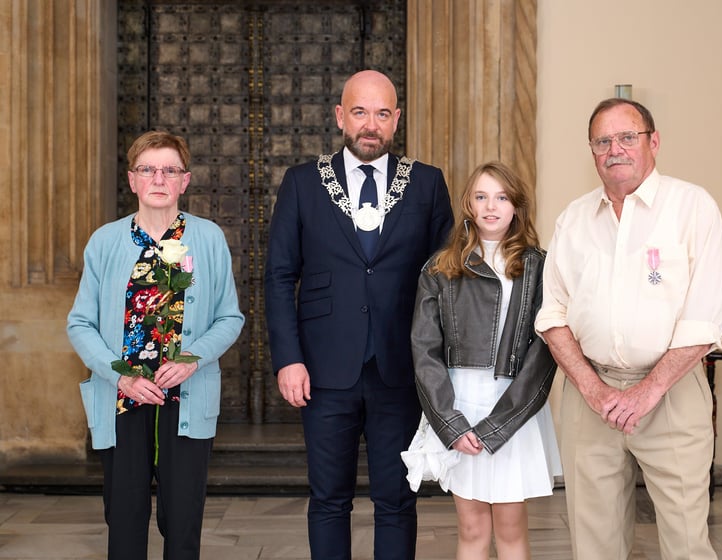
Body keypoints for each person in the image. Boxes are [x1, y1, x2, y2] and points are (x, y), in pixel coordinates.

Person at [264, 69, 454, 559]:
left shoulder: (427, 184)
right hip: (324, 370)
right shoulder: (303, 183)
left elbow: (446, 281)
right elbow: (280, 276)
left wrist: (440, 365)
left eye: (383, 113)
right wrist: (288, 358)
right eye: (360, 112)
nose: (371, 124)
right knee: (329, 498)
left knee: (397, 499)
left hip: (402, 368)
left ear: (396, 120)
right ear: (339, 116)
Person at [535, 98, 722, 559]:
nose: (614, 149)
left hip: (673, 396)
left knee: (686, 544)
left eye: (627, 137)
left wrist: (646, 392)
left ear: (653, 142)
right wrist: (593, 389)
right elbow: (552, 315)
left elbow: (706, 317)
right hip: (590, 399)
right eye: (603, 141)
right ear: (592, 151)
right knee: (594, 546)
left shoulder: (692, 208)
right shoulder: (574, 219)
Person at [67, 130, 244, 560]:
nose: (158, 178)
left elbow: (230, 318)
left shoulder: (207, 238)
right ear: (132, 180)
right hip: (122, 399)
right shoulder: (105, 242)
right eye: (147, 169)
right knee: (124, 520)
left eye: (169, 169)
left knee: (182, 521)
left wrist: (190, 360)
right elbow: (80, 323)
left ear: (185, 181)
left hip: (185, 394)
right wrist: (119, 375)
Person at [410, 161, 562, 559]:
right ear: (468, 204)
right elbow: (424, 351)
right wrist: (450, 423)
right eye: (481, 196)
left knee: (511, 530)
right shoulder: (440, 268)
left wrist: (499, 426)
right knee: (472, 528)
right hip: (459, 405)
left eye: (501, 197)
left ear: (517, 206)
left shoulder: (539, 267)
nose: (491, 206)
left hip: (516, 410)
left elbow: (545, 351)